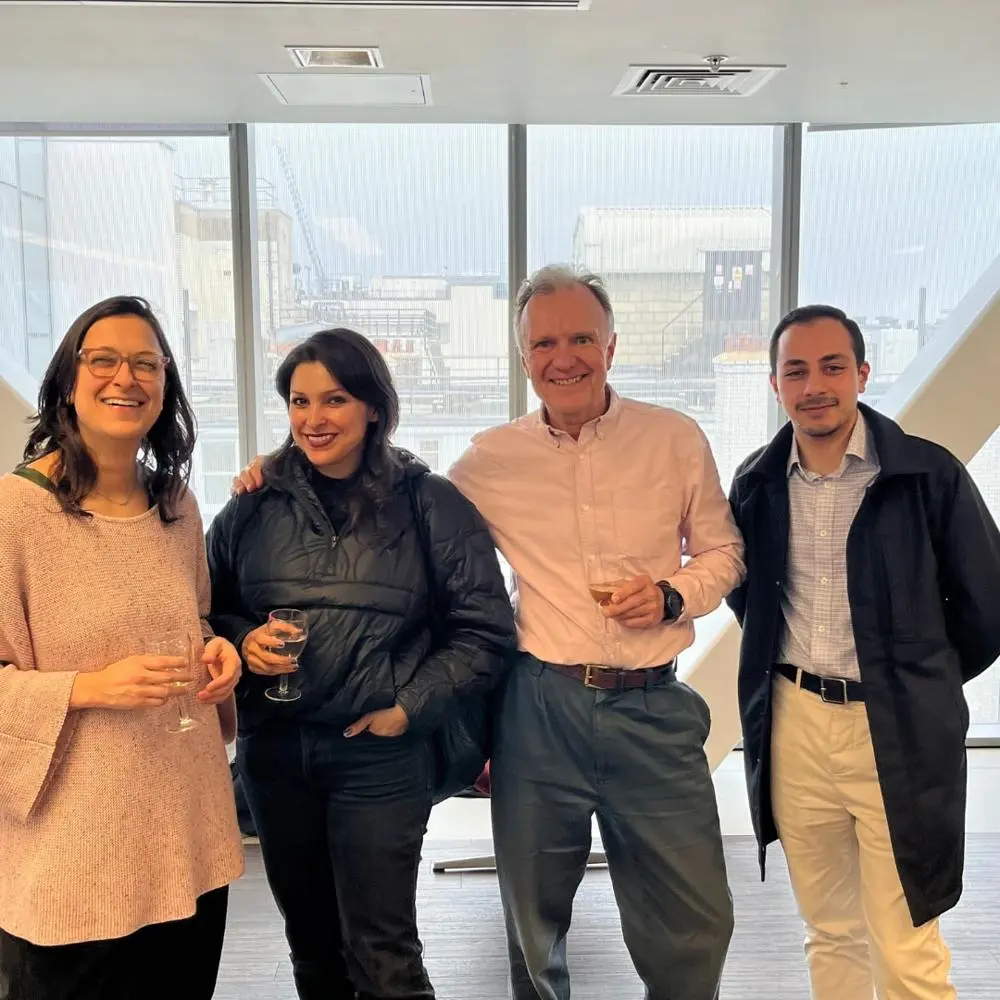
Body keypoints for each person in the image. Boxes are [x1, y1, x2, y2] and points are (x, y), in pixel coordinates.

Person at [233, 267, 745, 1000]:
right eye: (544, 342)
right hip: (538, 704)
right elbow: (399, 488)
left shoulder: (674, 438)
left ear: (611, 345)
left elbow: (725, 553)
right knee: (533, 922)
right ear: (522, 354)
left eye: (580, 339)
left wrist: (672, 596)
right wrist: (277, 467)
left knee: (695, 917)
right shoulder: (491, 459)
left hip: (654, 703)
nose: (562, 358)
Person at [207, 328, 516, 1000]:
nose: (314, 419)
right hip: (276, 755)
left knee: (383, 954)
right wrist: (239, 640)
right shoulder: (251, 505)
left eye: (335, 399)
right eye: (299, 401)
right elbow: (205, 611)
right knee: (312, 947)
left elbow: (486, 630)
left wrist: (409, 708)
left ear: (373, 406)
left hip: (378, 758)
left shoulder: (429, 503)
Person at [726, 304, 1000, 1000]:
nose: (814, 384)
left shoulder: (927, 477)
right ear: (775, 385)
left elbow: (986, 610)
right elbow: (749, 599)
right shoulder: (756, 485)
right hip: (796, 727)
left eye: (831, 367)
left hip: (898, 729)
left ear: (863, 374)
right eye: (796, 370)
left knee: (906, 941)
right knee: (831, 933)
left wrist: (917, 679)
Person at [0, 295, 245, 1000]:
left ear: (165, 385)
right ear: (68, 381)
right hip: (71, 856)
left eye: (146, 363)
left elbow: (188, 624)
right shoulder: (17, 514)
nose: (125, 378)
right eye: (102, 359)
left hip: (183, 834)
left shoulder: (177, 505)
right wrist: (88, 687)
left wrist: (216, 652)